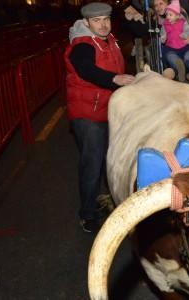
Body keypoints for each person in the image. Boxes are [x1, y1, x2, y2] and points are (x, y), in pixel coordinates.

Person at [65, 2, 135, 233]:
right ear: (86, 22)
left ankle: (105, 198)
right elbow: (85, 69)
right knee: (92, 164)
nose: (103, 24)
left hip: (108, 110)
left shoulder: (109, 38)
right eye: (97, 20)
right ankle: (87, 214)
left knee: (110, 158)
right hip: (88, 113)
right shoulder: (82, 44)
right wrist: (114, 79)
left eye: (106, 19)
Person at [160, 0, 189, 82]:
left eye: (170, 15)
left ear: (177, 16)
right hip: (171, 47)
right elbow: (163, 34)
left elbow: (188, 30)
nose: (168, 17)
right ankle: (179, 67)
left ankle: (188, 69)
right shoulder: (165, 24)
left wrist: (185, 34)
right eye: (167, 14)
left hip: (184, 46)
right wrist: (163, 38)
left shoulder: (183, 22)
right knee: (170, 56)